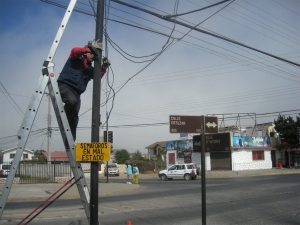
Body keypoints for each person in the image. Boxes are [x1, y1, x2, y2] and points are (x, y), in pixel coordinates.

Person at [57, 39, 111, 140]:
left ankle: (70, 141)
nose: (94, 57)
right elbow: (74, 51)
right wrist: (88, 49)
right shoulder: (76, 59)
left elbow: (97, 76)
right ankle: (62, 118)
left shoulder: (89, 69)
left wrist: (104, 67)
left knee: (74, 118)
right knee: (71, 102)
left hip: (77, 93)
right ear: (87, 53)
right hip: (65, 86)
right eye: (93, 54)